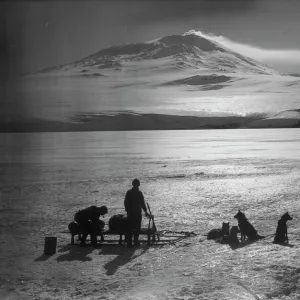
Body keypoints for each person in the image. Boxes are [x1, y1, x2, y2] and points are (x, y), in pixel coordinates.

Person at [124, 178, 150, 247]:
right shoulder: (135, 193)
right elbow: (126, 203)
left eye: (137, 184)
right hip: (134, 212)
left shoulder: (132, 192)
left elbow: (142, 203)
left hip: (135, 212)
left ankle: (133, 241)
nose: (136, 186)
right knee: (134, 227)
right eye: (136, 184)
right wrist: (128, 211)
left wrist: (145, 211)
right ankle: (133, 242)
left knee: (134, 227)